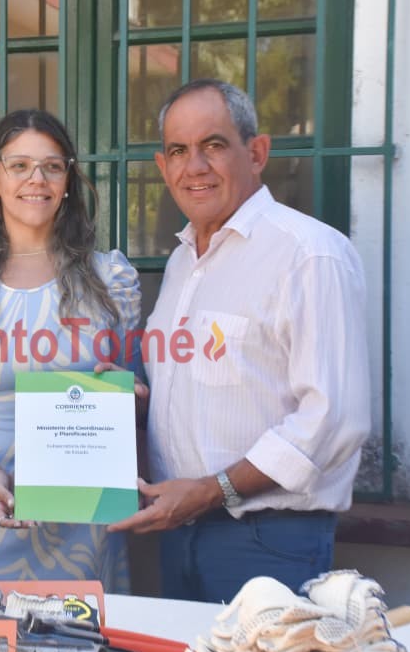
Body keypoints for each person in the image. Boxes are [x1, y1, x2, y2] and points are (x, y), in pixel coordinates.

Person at [108, 79, 370, 603]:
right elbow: (200, 391)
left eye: (213, 145)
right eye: (178, 151)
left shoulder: (309, 255)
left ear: (257, 153)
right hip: (180, 531)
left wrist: (212, 491)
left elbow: (332, 421)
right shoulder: (184, 261)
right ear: (162, 167)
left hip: (267, 539)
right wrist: (130, 403)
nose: (195, 166)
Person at [0, 109, 141, 593]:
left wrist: (130, 395)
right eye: (19, 166)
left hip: (81, 521)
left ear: (67, 182)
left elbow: (134, 404)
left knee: (81, 639)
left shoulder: (110, 280)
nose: (37, 179)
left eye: (52, 167)